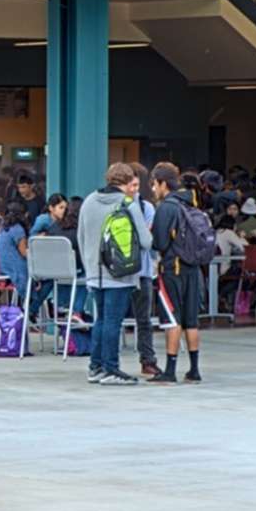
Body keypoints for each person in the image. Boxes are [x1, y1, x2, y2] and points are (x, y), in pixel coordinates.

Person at [75, 163, 147, 386]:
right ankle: (111, 369)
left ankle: (95, 367)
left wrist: (89, 264)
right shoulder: (128, 204)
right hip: (120, 273)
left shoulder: (88, 201)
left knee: (101, 320)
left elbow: (81, 237)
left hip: (94, 272)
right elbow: (146, 241)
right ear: (126, 183)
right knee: (113, 322)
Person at [147, 164, 210, 383]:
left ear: (163, 183)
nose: (154, 189)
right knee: (191, 321)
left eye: (154, 184)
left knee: (172, 319)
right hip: (193, 269)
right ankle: (194, 370)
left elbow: (160, 242)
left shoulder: (167, 208)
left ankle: (170, 370)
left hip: (172, 269)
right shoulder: (191, 203)